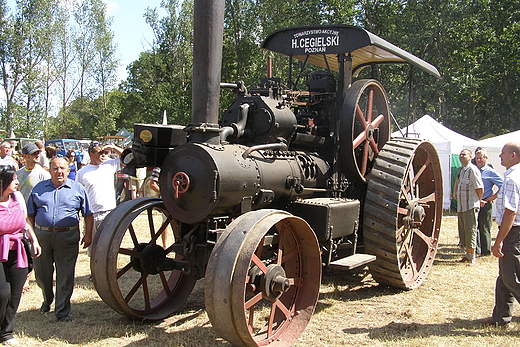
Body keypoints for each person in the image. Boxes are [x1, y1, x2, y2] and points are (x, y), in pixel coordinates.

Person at [27, 158, 93, 322]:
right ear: (49, 170)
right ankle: (47, 299)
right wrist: (33, 237)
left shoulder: (77, 189)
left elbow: (88, 214)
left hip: (67, 237)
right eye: (55, 168)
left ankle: (62, 311)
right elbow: (30, 215)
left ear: (69, 170)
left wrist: (89, 234)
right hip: (42, 237)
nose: (59, 171)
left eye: (62, 168)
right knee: (42, 273)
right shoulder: (39, 189)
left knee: (65, 274)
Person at [0, 165, 41, 344]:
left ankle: (6, 333)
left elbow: (24, 222)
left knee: (15, 294)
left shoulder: (17, 198)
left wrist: (34, 240)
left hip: (18, 249)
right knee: (3, 294)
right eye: (13, 179)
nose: (17, 182)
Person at [482, 142, 520, 326]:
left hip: (514, 233)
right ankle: (501, 318)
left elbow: (510, 213)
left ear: (513, 155)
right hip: (515, 232)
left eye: (503, 153)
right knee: (505, 277)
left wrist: (499, 242)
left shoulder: (512, 179)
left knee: (512, 278)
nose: (500, 156)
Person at [76, 144, 122, 255]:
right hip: (91, 215)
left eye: (104, 153)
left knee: (108, 249)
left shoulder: (109, 165)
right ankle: (94, 272)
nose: (103, 155)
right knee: (92, 250)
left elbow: (128, 156)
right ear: (91, 155)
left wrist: (112, 147)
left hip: (109, 212)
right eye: (100, 153)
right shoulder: (82, 172)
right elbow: (78, 194)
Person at [453, 149, 484, 266]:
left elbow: (479, 188)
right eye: (460, 154)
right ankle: (467, 255)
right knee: (464, 231)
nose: (461, 156)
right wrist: (455, 193)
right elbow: (457, 182)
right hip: (462, 207)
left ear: (470, 157)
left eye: (464, 154)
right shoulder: (462, 170)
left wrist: (478, 200)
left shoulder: (472, 170)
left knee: (471, 231)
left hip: (470, 206)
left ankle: (472, 258)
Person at [474, 148, 503, 256]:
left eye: (481, 158)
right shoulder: (474, 170)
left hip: (485, 203)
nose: (479, 160)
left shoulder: (491, 172)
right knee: (474, 226)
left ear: (486, 158)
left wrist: (491, 197)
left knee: (484, 227)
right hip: (475, 202)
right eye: (477, 158)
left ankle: (485, 251)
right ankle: (476, 249)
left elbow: (503, 186)